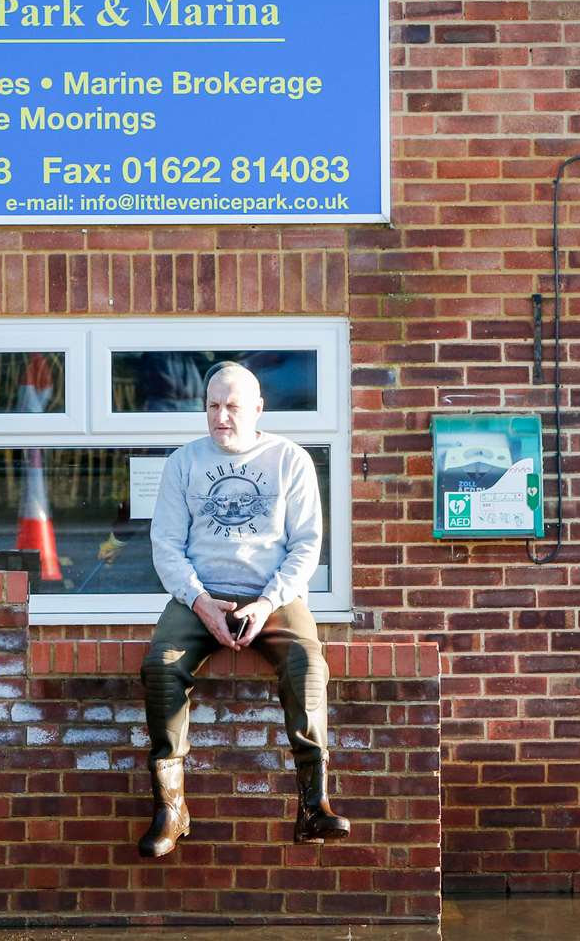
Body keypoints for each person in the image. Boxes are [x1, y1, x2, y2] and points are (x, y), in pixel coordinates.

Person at [137, 362, 348, 858]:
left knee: (308, 666)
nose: (221, 417)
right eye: (213, 406)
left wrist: (268, 602)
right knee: (160, 668)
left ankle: (314, 804)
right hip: (199, 596)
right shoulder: (183, 463)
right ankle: (171, 807)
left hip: (275, 597)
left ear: (257, 408)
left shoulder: (289, 460)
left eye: (233, 406)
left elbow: (306, 547)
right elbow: (165, 544)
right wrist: (200, 601)